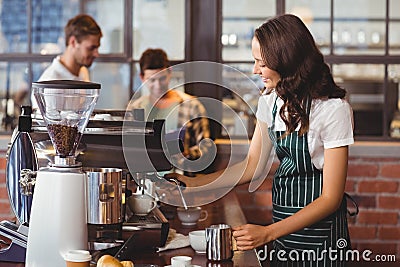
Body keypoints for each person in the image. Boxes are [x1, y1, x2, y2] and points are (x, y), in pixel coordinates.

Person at [169, 14, 355, 266]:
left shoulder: (333, 110)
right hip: (284, 235)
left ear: (285, 61)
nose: (255, 70)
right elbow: (253, 165)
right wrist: (194, 183)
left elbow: (331, 199)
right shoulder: (271, 101)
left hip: (320, 239)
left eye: (261, 62)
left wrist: (267, 232)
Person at [128, 48, 211, 175]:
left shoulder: (192, 106)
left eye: (162, 78)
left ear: (169, 73)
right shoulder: (135, 108)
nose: (157, 85)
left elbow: (206, 147)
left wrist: (187, 153)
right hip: (144, 182)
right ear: (142, 78)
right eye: (152, 80)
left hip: (181, 181)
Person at [31, 14, 102, 109]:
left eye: (97, 48)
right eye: (91, 48)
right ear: (73, 42)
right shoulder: (51, 85)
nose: (96, 54)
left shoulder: (82, 71)